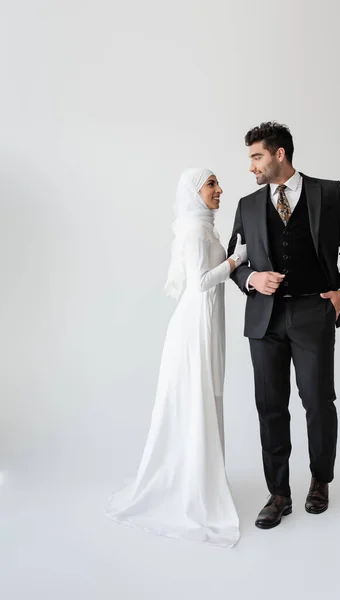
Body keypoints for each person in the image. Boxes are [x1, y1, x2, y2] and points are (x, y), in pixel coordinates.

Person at [228, 121, 340, 529]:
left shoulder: (329, 192)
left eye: (256, 156)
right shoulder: (247, 205)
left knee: (318, 401)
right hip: (264, 320)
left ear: (279, 154)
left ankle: (320, 480)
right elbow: (234, 263)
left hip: (312, 312)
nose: (251, 166)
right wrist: (251, 279)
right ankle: (279, 493)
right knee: (270, 408)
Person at [106, 168, 247, 547]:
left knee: (206, 396)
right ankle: (192, 485)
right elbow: (200, 281)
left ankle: (201, 475)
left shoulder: (203, 226)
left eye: (217, 184)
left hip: (206, 320)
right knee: (197, 396)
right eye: (211, 184)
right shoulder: (195, 230)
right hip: (194, 325)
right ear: (194, 191)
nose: (220, 190)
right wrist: (236, 260)